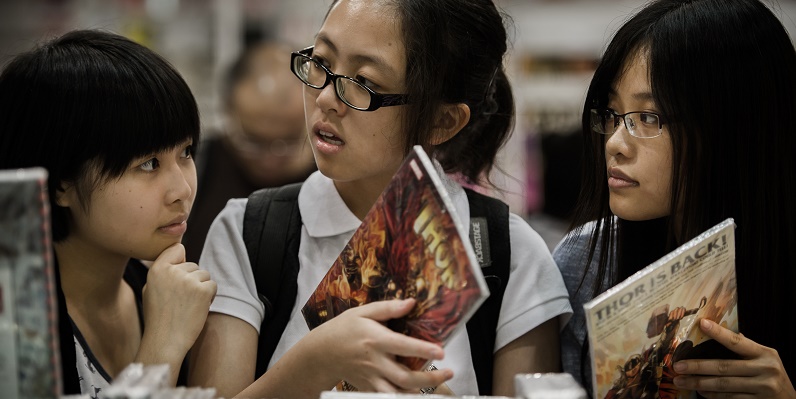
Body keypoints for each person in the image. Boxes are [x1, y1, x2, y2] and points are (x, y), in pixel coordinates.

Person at [189, 0, 572, 397]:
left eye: (365, 83)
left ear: (442, 121)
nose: (326, 99)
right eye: (321, 62)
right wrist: (314, 363)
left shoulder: (511, 254)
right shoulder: (249, 232)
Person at [554, 0, 796, 397]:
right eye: (613, 113)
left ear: (735, 131)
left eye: (650, 117)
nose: (615, 143)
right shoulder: (586, 259)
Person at [0, 30, 218, 395]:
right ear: (60, 185)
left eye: (186, 152)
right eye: (148, 164)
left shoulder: (159, 289)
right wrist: (163, 346)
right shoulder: (16, 325)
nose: (182, 190)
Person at [182, 41, 316, 262]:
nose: (269, 160)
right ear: (228, 110)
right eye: (253, 142)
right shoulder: (195, 166)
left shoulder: (335, 177)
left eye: (288, 142)